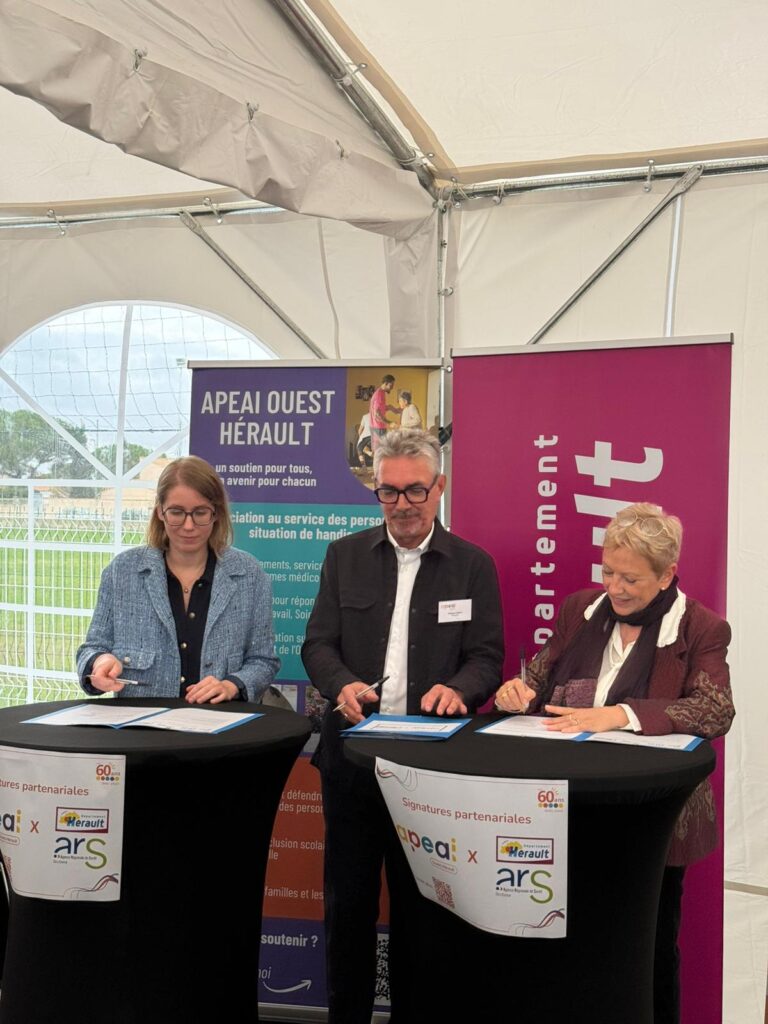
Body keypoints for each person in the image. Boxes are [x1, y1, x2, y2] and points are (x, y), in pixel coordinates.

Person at [494, 502, 734, 1024]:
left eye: (631, 579)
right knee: (571, 942)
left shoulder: (700, 627)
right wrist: (518, 691)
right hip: (569, 805)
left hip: (652, 815)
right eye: (608, 573)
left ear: (667, 574)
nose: (615, 589)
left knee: (648, 948)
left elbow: (716, 711)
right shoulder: (581, 609)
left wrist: (621, 715)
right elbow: (539, 678)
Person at [302, 429, 504, 1023]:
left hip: (431, 771)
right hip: (351, 765)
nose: (402, 504)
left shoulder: (473, 566)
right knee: (348, 910)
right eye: (388, 492)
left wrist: (459, 689)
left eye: (415, 490)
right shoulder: (343, 557)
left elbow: (487, 658)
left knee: (424, 915)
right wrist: (341, 684)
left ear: (439, 488)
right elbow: (317, 645)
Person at [77, 455, 278, 702]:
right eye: (176, 512)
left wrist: (231, 685)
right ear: (160, 512)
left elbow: (263, 661)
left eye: (200, 513)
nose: (189, 525)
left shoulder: (250, 575)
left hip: (219, 722)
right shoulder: (122, 571)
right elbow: (93, 648)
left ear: (217, 513)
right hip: (142, 723)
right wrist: (99, 662)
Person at [368, 373, 398, 447]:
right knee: (382, 449)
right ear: (385, 383)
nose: (392, 388)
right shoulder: (379, 394)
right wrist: (389, 422)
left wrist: (389, 407)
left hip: (375, 426)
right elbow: (377, 414)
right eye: (391, 385)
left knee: (378, 449)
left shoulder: (380, 393)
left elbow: (379, 409)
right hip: (378, 427)